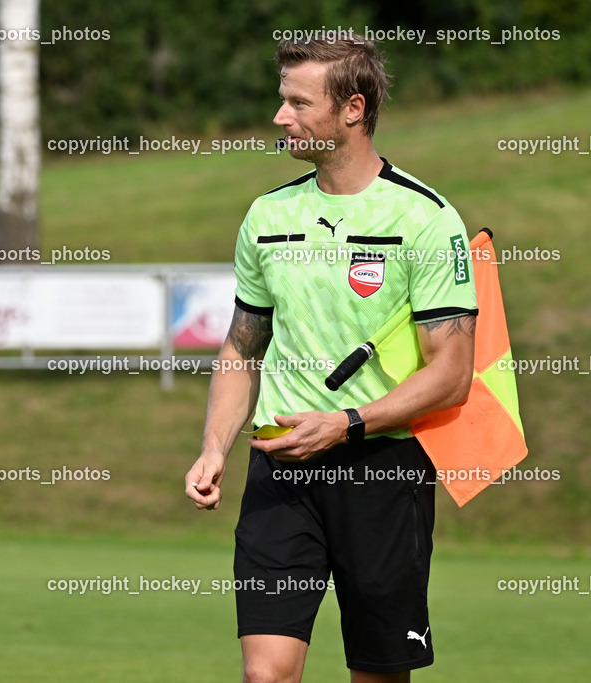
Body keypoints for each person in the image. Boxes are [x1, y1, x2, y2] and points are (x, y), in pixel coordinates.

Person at [184, 36, 477, 683]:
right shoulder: (266, 216)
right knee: (266, 672)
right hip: (279, 465)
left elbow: (452, 372)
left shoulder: (425, 219)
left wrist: (345, 422)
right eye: (280, 99)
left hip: (383, 470)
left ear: (352, 108)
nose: (278, 116)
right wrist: (214, 446)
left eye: (296, 101)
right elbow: (241, 345)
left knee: (377, 674)